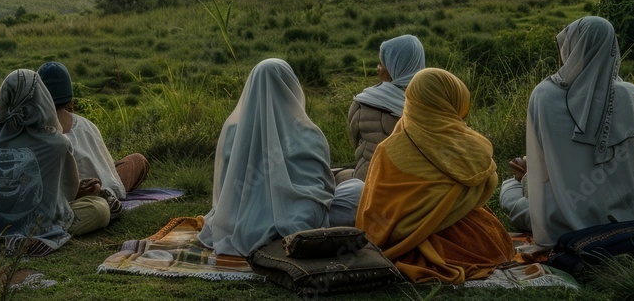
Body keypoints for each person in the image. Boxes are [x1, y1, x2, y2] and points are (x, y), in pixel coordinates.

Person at [500, 16, 634, 246]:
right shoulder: (630, 94)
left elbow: (543, 160)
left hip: (568, 205)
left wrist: (529, 179)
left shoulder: (544, 94)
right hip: (627, 202)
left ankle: (515, 185)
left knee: (513, 195)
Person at [356, 68, 514, 284]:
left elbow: (375, 210)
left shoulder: (389, 149)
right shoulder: (473, 146)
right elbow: (487, 185)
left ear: (412, 99)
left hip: (406, 246)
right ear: (452, 101)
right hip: (482, 243)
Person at [198, 58, 363, 257]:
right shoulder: (305, 132)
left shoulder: (234, 132)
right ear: (291, 88)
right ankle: (294, 238)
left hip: (237, 223)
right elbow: (321, 189)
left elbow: (228, 188)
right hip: (298, 224)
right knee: (357, 190)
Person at [0, 69, 109, 249]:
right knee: (99, 209)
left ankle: (6, 238)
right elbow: (68, 192)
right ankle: (28, 239)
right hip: (39, 225)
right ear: (42, 98)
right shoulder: (56, 143)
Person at [37, 61, 149, 202]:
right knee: (137, 161)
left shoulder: (36, 129)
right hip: (95, 189)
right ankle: (102, 193)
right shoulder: (86, 124)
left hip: (74, 192)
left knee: (135, 161)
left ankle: (97, 192)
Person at [343, 34, 425, 182]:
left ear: (394, 67)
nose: (378, 68)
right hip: (426, 187)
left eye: (382, 63)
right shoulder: (436, 102)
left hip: (372, 186)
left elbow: (357, 147)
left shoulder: (364, 104)